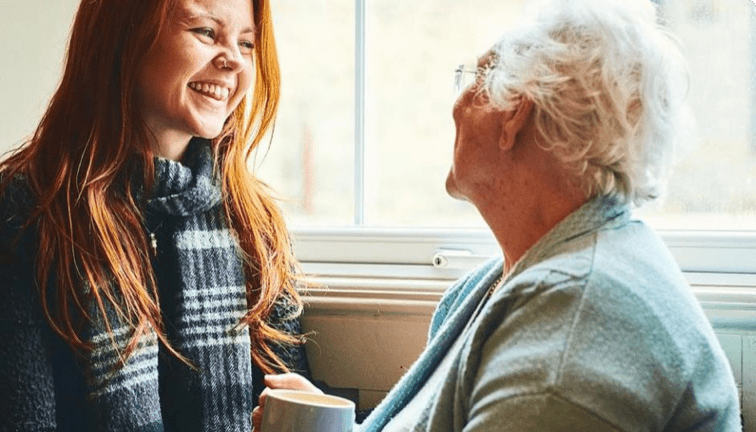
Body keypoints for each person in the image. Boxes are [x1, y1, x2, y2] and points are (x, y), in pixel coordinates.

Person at [252, 0, 742, 430]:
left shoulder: (580, 315)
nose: (458, 105)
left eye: (477, 78)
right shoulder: (513, 281)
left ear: (516, 115)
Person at [0, 0, 311, 430]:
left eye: (247, 43)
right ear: (124, 37)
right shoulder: (25, 209)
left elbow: (291, 394)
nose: (233, 59)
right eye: (205, 32)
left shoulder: (256, 224)